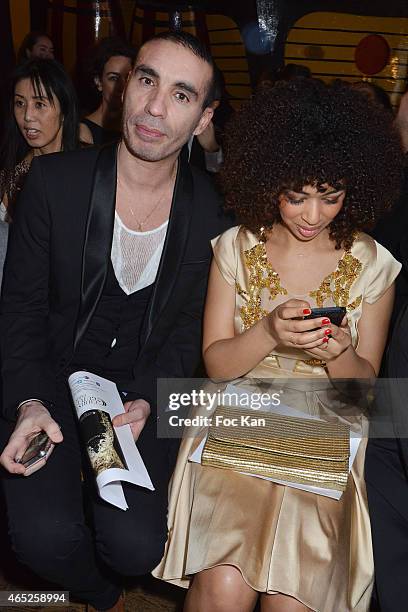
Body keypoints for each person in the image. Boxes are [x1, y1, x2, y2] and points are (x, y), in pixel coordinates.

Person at [0, 30, 230, 611]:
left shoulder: (212, 211)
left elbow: (188, 336)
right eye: (147, 81)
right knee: (41, 540)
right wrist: (28, 401)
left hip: (129, 399)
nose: (155, 108)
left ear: (204, 116)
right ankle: (95, 589)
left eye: (182, 95)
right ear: (127, 86)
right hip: (50, 385)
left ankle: (112, 570)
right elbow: (20, 309)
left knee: (133, 548)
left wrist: (152, 400)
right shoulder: (55, 184)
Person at [153, 78, 403, 612]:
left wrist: (338, 351)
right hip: (242, 413)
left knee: (293, 598)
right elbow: (217, 365)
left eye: (331, 197)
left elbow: (363, 392)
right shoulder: (237, 247)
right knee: (222, 587)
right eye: (296, 197)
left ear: (354, 186)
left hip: (327, 427)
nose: (313, 216)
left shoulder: (374, 264)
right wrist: (266, 332)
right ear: (270, 181)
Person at [0, 58, 82, 284]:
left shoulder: (89, 168)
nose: (27, 116)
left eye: (39, 104)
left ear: (64, 108)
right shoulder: (10, 173)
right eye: (19, 103)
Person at [80, 37, 137, 145]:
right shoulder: (82, 132)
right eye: (113, 78)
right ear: (99, 82)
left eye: (127, 78)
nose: (122, 86)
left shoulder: (135, 129)